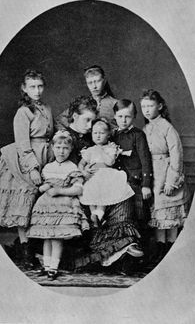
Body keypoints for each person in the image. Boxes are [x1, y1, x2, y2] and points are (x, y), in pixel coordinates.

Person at [59, 96, 144, 273]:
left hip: (108, 182)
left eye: (93, 122)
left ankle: (126, 252)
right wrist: (81, 174)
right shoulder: (65, 139)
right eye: (87, 121)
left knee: (124, 203)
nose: (92, 128)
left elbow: (111, 160)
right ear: (74, 117)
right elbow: (65, 166)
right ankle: (103, 252)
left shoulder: (105, 140)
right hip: (81, 186)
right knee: (87, 204)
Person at [0, 69, 54, 268]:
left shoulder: (47, 107)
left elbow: (52, 130)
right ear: (24, 88)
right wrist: (32, 168)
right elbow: (23, 143)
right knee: (24, 207)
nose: (37, 90)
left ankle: (37, 248)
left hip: (45, 156)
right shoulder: (23, 112)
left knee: (38, 207)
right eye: (32, 87)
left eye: (40, 86)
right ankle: (26, 252)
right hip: (26, 160)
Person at [27, 130, 89, 280]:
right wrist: (44, 188)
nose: (61, 151)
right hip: (47, 206)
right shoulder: (48, 167)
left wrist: (59, 190)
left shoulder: (72, 168)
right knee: (46, 237)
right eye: (58, 147)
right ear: (52, 148)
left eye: (66, 148)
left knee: (57, 237)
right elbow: (42, 187)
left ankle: (54, 268)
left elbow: (78, 189)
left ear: (71, 149)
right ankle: (46, 266)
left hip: (64, 206)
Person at [140, 89, 190, 263]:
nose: (146, 110)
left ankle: (172, 249)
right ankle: (160, 249)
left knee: (171, 217)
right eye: (143, 106)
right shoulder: (145, 129)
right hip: (153, 174)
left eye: (150, 105)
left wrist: (171, 181)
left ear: (159, 106)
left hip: (167, 173)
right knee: (159, 215)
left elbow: (177, 155)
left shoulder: (168, 128)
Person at [112, 99, 153, 255]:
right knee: (121, 219)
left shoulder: (138, 135)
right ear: (115, 116)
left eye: (127, 117)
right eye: (120, 116)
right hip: (118, 183)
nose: (123, 120)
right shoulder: (113, 134)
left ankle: (141, 257)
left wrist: (146, 184)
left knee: (138, 217)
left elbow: (145, 160)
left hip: (135, 183)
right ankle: (121, 256)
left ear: (134, 116)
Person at [79, 118, 135, 227]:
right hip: (92, 175)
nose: (98, 136)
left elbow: (110, 162)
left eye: (101, 133)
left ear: (108, 134)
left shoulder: (110, 147)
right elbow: (81, 164)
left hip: (105, 174)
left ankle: (99, 214)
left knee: (103, 195)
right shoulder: (89, 150)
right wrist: (83, 170)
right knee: (91, 193)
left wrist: (101, 149)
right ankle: (93, 215)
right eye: (95, 133)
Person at [56, 65, 117, 129]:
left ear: (104, 81)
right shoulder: (83, 102)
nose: (94, 86)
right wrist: (67, 130)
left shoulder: (115, 103)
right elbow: (59, 120)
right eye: (90, 83)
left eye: (97, 81)